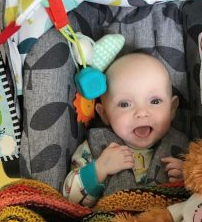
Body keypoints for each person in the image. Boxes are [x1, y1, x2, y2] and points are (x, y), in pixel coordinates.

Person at [63, 53, 184, 206]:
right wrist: (100, 169)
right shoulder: (96, 148)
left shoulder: (185, 150)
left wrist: (189, 179)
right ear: (105, 114)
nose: (141, 113)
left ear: (172, 109)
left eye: (155, 101)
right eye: (125, 104)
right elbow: (67, 198)